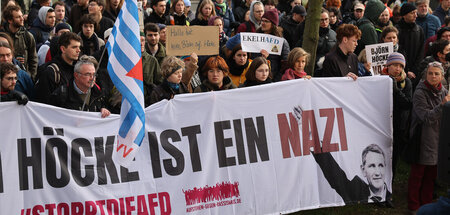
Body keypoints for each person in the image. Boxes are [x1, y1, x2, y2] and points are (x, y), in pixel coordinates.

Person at [407, 61, 450, 213]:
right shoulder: (419, 93)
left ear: (442, 76)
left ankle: (425, 205)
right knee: (418, 175)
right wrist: (442, 106)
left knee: (431, 176)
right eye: (430, 73)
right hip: (422, 139)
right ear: (426, 74)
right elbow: (425, 117)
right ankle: (413, 205)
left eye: (436, 73)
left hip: (438, 139)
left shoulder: (444, 91)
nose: (433, 76)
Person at [313, 144, 392, 205]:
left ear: (385, 167)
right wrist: (318, 148)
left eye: (381, 165)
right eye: (372, 166)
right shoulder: (355, 191)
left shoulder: (390, 197)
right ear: (363, 170)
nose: (377, 173)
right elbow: (336, 177)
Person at [381, 52, 412, 180]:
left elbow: (407, 103)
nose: (397, 69)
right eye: (394, 65)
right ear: (388, 66)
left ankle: (390, 183)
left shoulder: (406, 83)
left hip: (398, 126)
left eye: (400, 66)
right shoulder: (380, 79)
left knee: (394, 157)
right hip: (382, 123)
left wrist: (395, 89)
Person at [34, 32, 82, 104]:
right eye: (74, 47)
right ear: (63, 49)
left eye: (79, 47)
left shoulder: (79, 70)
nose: (78, 50)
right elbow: (41, 102)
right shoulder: (50, 72)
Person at [1, 5, 38, 79]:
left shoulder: (27, 36)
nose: (22, 19)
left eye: (21, 16)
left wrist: (31, 77)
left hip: (23, 78)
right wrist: (13, 60)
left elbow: (33, 59)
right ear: (10, 20)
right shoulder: (2, 36)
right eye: (18, 17)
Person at [255, 9, 289, 81]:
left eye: (266, 21)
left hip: (274, 79)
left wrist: (276, 79)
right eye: (262, 21)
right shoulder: (255, 38)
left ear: (273, 24)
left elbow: (285, 64)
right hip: (256, 79)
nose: (263, 23)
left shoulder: (281, 42)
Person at [396, 3, 424, 82]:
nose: (416, 15)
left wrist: (415, 69)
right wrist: (406, 70)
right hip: (400, 71)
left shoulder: (419, 30)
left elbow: (421, 52)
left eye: (416, 12)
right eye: (412, 13)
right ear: (404, 15)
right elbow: (399, 51)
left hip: (415, 72)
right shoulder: (397, 30)